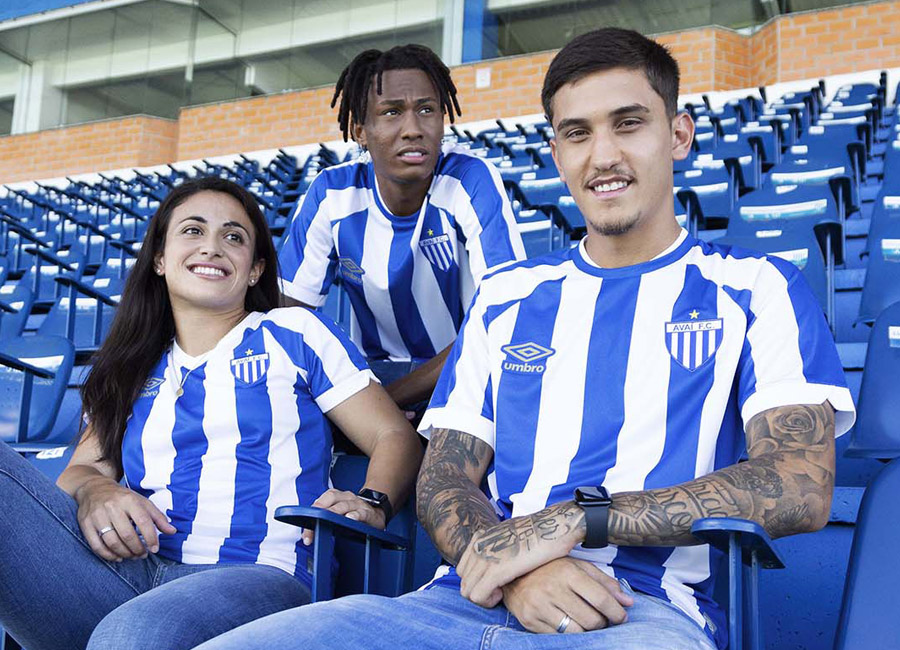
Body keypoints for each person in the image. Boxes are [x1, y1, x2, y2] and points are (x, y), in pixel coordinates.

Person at [192, 27, 856, 650]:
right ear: (556, 152)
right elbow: (445, 477)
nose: (604, 155)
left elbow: (799, 482)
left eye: (629, 123)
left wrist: (578, 520)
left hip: (642, 612)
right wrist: (516, 569)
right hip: (460, 602)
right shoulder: (507, 298)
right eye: (577, 133)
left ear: (678, 134)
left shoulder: (760, 287)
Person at [0, 177, 422, 650]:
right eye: (193, 231)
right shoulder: (132, 364)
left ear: (256, 269)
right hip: (125, 571)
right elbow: (80, 470)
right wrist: (97, 490)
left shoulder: (293, 332)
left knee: (131, 636)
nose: (213, 247)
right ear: (159, 258)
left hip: (256, 575)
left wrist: (373, 500)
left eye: (234, 237)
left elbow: (393, 435)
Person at [279, 44, 526, 414]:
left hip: (467, 378)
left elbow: (506, 318)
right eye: (392, 112)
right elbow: (285, 317)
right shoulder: (333, 194)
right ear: (361, 131)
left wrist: (384, 404)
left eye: (427, 110)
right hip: (373, 380)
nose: (413, 129)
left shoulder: (470, 180)